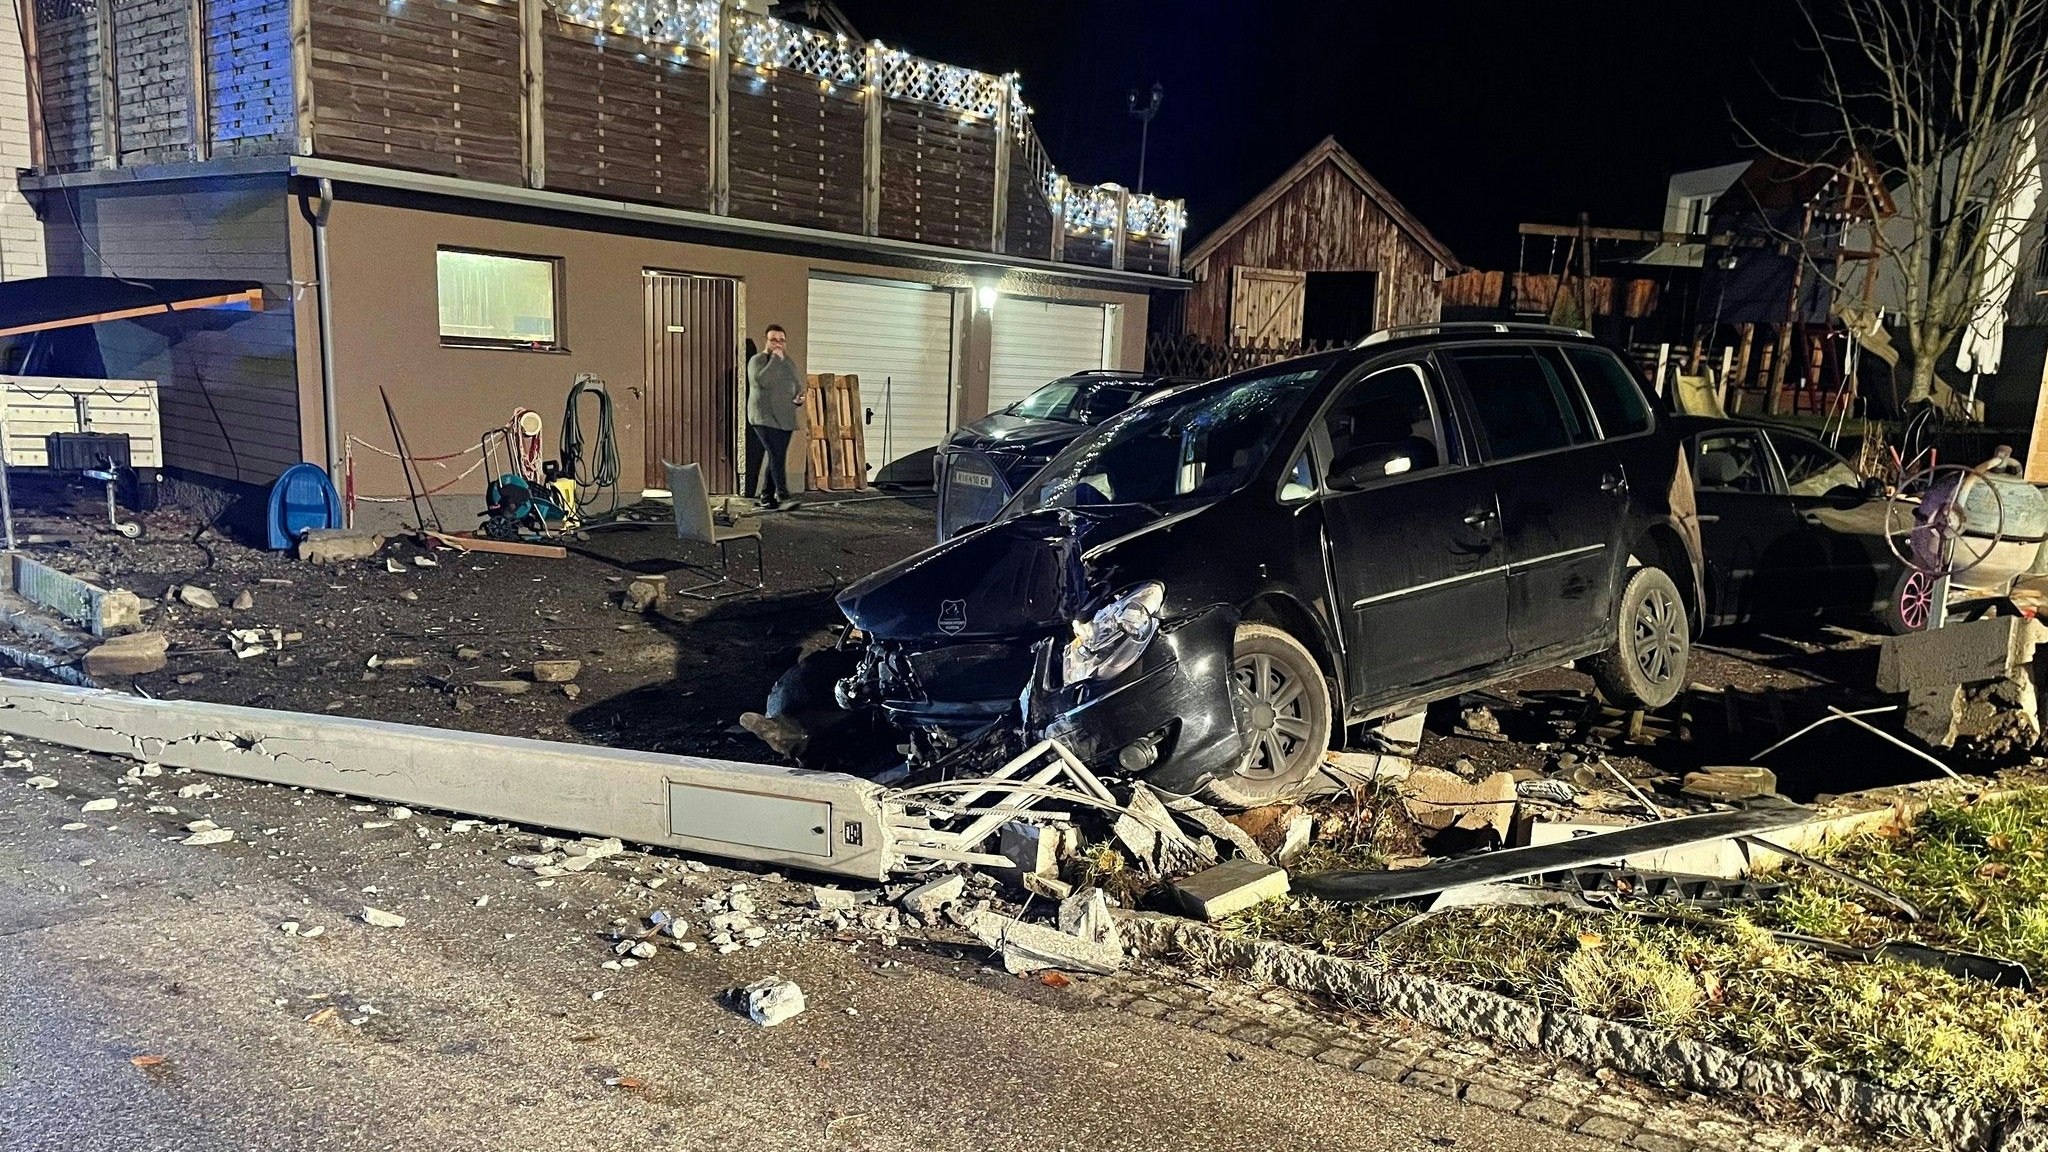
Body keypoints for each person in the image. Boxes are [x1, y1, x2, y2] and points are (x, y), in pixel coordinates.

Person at [745, 323, 804, 510]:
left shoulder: (788, 362)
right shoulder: (758, 360)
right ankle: (782, 493)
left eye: (781, 341)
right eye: (773, 340)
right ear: (767, 341)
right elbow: (762, 381)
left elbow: (795, 384)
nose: (778, 344)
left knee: (775, 456)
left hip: (784, 418)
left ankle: (766, 496)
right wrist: (775, 360)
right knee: (776, 454)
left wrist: (798, 398)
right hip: (763, 417)